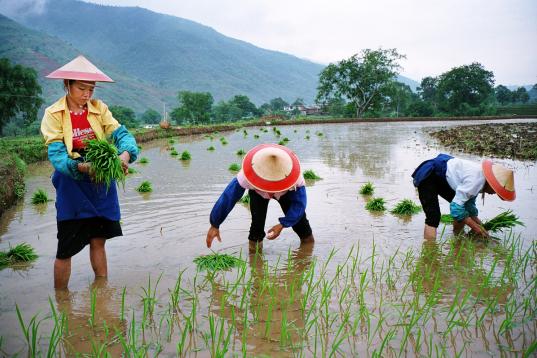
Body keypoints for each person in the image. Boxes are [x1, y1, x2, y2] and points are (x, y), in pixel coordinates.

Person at [41, 55, 139, 289]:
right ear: (67, 85)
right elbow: (57, 155)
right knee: (66, 247)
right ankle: (62, 300)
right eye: (81, 88)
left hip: (100, 185)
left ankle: (102, 291)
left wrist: (123, 156)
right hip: (72, 186)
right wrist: (81, 167)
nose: (87, 94)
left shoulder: (99, 109)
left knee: (98, 239)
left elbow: (123, 136)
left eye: (91, 89)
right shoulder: (54, 114)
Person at [206, 143, 314, 249]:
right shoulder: (246, 176)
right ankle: (255, 263)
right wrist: (215, 224)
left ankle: (307, 253)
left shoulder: (295, 179)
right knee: (256, 229)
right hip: (258, 193)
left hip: (286, 192)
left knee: (303, 228)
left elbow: (299, 205)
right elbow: (228, 198)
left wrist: (282, 225)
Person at [412, 153, 515, 240]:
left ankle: (458, 239)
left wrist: (483, 227)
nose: (494, 193)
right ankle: (430, 252)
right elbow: (455, 208)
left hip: (443, 175)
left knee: (463, 207)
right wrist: (475, 227)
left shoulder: (480, 181)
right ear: (491, 183)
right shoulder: (475, 181)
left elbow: (469, 207)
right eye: (495, 190)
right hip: (429, 174)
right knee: (433, 217)